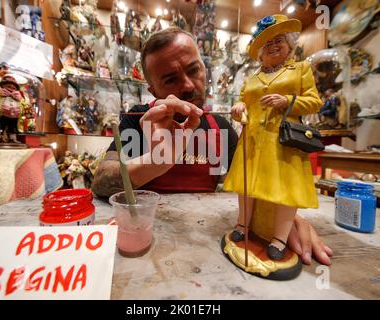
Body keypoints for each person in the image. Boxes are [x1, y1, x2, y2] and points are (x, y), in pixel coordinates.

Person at [91, 27, 332, 266]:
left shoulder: (222, 128)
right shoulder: (138, 120)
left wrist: (279, 216)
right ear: (152, 90)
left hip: (205, 255)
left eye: (193, 70)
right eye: (170, 79)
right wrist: (155, 162)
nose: (187, 86)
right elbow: (101, 182)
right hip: (143, 252)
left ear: (204, 68)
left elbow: (253, 183)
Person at [223, 14, 327, 268]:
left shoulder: (301, 70)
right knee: (246, 186)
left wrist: (288, 102)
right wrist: (238, 108)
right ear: (259, 52)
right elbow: (243, 102)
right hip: (253, 142)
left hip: (284, 144)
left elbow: (315, 101)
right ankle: (242, 224)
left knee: (284, 193)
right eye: (266, 43)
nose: (272, 46)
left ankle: (279, 239)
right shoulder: (252, 78)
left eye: (278, 40)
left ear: (290, 44)